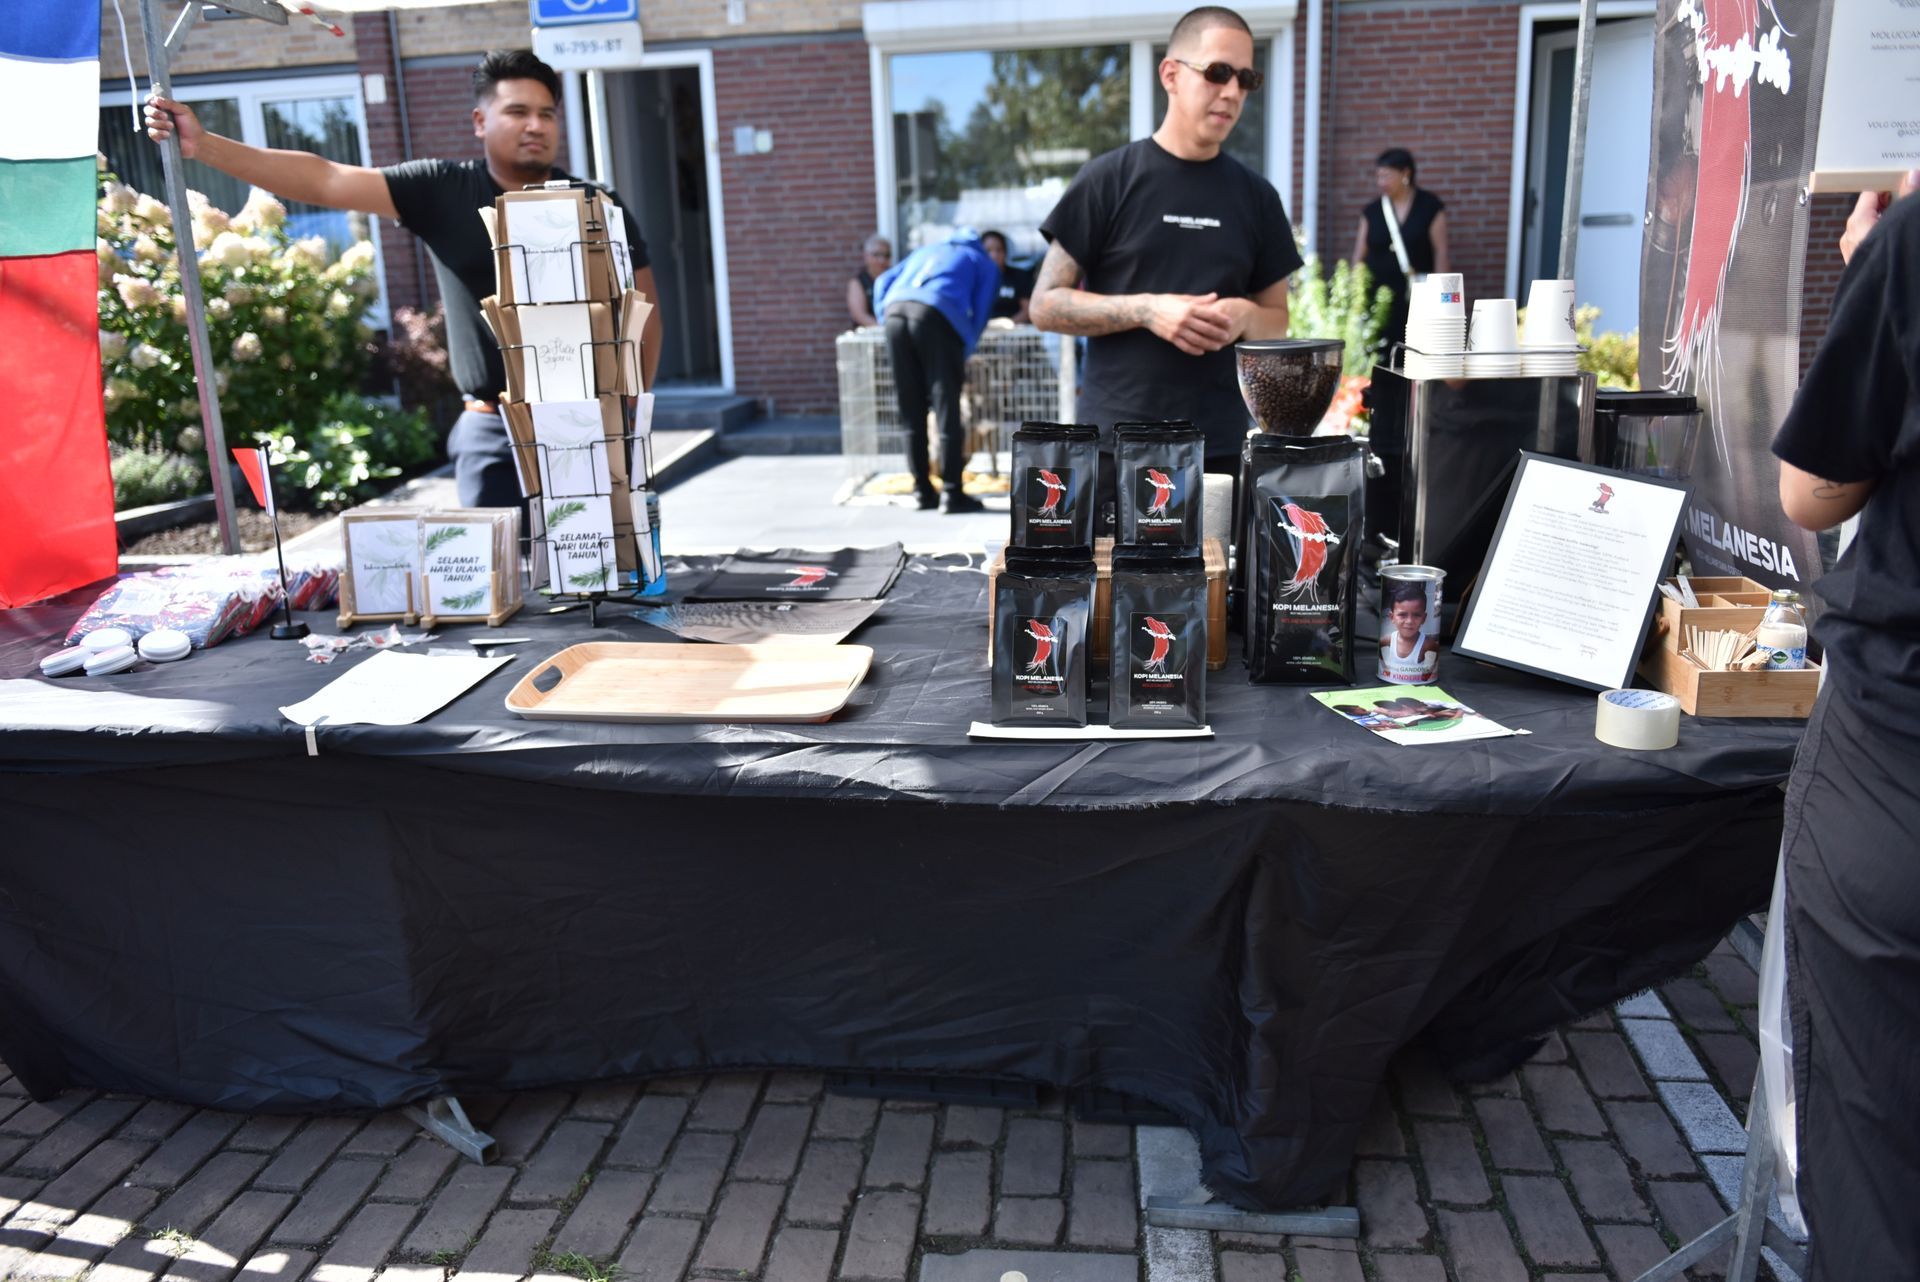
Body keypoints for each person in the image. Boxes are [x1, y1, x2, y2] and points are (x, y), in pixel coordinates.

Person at [145, 50, 664, 510]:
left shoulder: (599, 203)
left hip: (586, 428)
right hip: (492, 429)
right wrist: (204, 145)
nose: (536, 125)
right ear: (481, 121)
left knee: (600, 596)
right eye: (518, 111)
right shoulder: (441, 190)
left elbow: (642, 306)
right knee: (501, 600)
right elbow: (325, 178)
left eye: (546, 113)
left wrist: (632, 406)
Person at [1769, 168, 1920, 1282]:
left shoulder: (1911, 242)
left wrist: (1874, 268)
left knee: (1874, 1165)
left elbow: (1813, 490)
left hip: (1900, 756)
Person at [1031, 5, 1302, 489]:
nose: (1232, 91)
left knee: (1218, 568)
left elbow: (1276, 320)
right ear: (1171, 75)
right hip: (1116, 448)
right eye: (1217, 72)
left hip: (1217, 450)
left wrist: (1242, 315)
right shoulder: (1107, 180)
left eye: (1246, 78)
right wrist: (1148, 309)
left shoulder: (1257, 197)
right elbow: (1046, 305)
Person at [873, 229, 1000, 514]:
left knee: (911, 407)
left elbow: (882, 281)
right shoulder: (981, 260)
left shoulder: (925, 251)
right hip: (937, 318)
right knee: (946, 407)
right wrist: (965, 346)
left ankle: (922, 491)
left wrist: (885, 317)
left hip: (895, 312)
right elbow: (980, 311)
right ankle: (952, 493)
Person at [1350, 147, 1450, 351]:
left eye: (1386, 176)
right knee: (1379, 352)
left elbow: (1441, 251)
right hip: (1378, 298)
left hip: (1416, 296)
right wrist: (1355, 295)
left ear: (1406, 173)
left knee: (1415, 349)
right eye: (1378, 176)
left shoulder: (1429, 207)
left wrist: (1443, 297)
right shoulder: (1372, 211)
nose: (1381, 183)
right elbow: (1359, 255)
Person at [1378, 581, 1439, 682]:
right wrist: (1385, 668)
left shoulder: (1426, 643)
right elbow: (1379, 648)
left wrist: (1427, 673)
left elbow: (1436, 651)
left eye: (1416, 615)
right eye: (1402, 615)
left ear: (1424, 618)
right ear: (1392, 617)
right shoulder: (1388, 639)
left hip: (1417, 689)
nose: (1409, 621)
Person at [981, 230, 1030, 323]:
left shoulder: (1019, 276)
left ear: (1006, 252)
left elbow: (1027, 309)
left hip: (1016, 334)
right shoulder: (975, 280)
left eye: (999, 250)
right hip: (984, 334)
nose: (994, 255)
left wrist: (1009, 325)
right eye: (988, 251)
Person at [846, 234, 892, 328]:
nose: (882, 260)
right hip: (868, 337)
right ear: (866, 256)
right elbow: (859, 315)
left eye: (886, 255)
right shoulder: (858, 283)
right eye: (877, 255)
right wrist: (883, 329)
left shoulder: (893, 280)